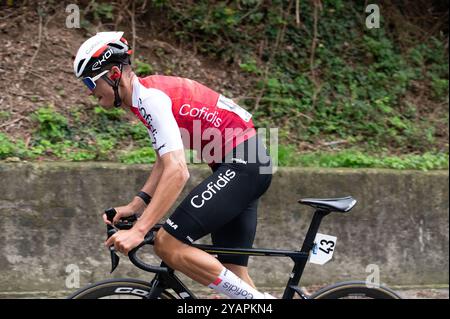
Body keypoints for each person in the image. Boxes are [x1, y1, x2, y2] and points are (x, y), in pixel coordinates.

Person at [73, 31, 274, 299]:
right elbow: (164, 159)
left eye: (89, 83)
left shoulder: (151, 100)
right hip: (246, 164)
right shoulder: (145, 98)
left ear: (113, 75)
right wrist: (136, 206)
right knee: (233, 275)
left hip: (243, 165)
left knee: (167, 243)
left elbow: (177, 170)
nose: (90, 92)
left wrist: (140, 230)